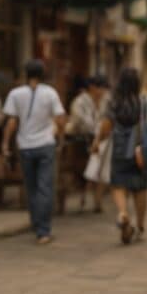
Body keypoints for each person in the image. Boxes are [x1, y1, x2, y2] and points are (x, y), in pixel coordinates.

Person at [1, 60, 66, 244]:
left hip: (25, 146)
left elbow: (12, 122)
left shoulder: (15, 94)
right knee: (45, 186)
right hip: (45, 144)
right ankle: (43, 230)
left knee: (31, 187)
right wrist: (61, 137)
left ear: (26, 74)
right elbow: (60, 118)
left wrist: (5, 143)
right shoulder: (50, 93)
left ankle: (36, 223)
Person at [92, 68, 147, 244]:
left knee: (118, 184)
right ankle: (140, 226)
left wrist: (98, 141)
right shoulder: (143, 101)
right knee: (140, 187)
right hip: (139, 149)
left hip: (119, 148)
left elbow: (106, 124)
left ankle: (123, 213)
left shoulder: (113, 101)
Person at [65, 75, 100, 212]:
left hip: (88, 138)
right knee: (84, 170)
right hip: (82, 140)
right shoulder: (81, 102)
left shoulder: (90, 101)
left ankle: (88, 198)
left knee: (89, 170)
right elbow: (82, 121)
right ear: (91, 88)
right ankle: (85, 198)